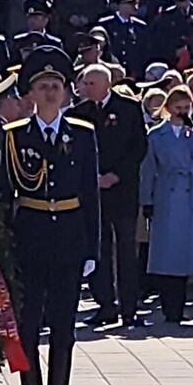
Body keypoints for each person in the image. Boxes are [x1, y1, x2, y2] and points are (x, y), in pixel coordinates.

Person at [0, 47, 99, 385]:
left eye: (56, 86)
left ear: (67, 92)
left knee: (63, 330)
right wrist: (3, 248)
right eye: (43, 86)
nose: (51, 92)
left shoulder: (82, 135)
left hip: (69, 238)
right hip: (31, 238)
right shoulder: (15, 136)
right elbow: (6, 196)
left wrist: (92, 249)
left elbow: (91, 196)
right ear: (31, 94)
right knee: (26, 329)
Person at [71, 63, 146, 329]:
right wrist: (92, 178)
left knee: (126, 250)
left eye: (91, 84)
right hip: (93, 193)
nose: (86, 88)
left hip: (123, 190)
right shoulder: (77, 113)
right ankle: (105, 305)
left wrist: (117, 175)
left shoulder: (128, 108)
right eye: (84, 83)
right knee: (97, 249)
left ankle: (130, 308)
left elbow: (138, 148)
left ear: (105, 84)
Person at [139, 85, 193, 324]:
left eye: (186, 107)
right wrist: (147, 200)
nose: (182, 112)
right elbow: (148, 168)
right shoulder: (156, 134)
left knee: (192, 250)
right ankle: (170, 306)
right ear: (168, 108)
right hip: (166, 192)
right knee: (167, 253)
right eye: (178, 107)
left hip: (190, 191)